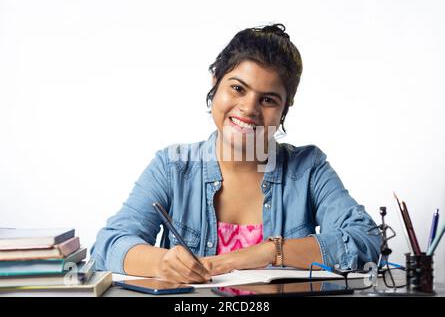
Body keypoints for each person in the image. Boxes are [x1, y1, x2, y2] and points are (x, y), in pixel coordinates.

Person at [91, 23, 381, 284]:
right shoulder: (172, 166)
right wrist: (162, 262)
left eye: (268, 99)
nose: (249, 108)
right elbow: (108, 245)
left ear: (284, 109)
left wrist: (270, 251)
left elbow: (365, 240)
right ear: (215, 82)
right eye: (238, 88)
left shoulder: (308, 168)